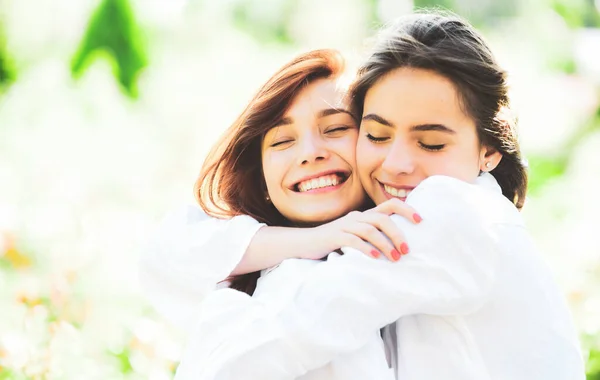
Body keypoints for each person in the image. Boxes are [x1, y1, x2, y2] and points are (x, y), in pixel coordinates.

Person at [149, 12, 585, 380]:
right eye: (377, 135)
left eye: (431, 144)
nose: (396, 163)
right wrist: (317, 238)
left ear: (489, 150)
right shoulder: (339, 246)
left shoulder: (452, 212)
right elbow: (174, 250)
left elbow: (272, 345)